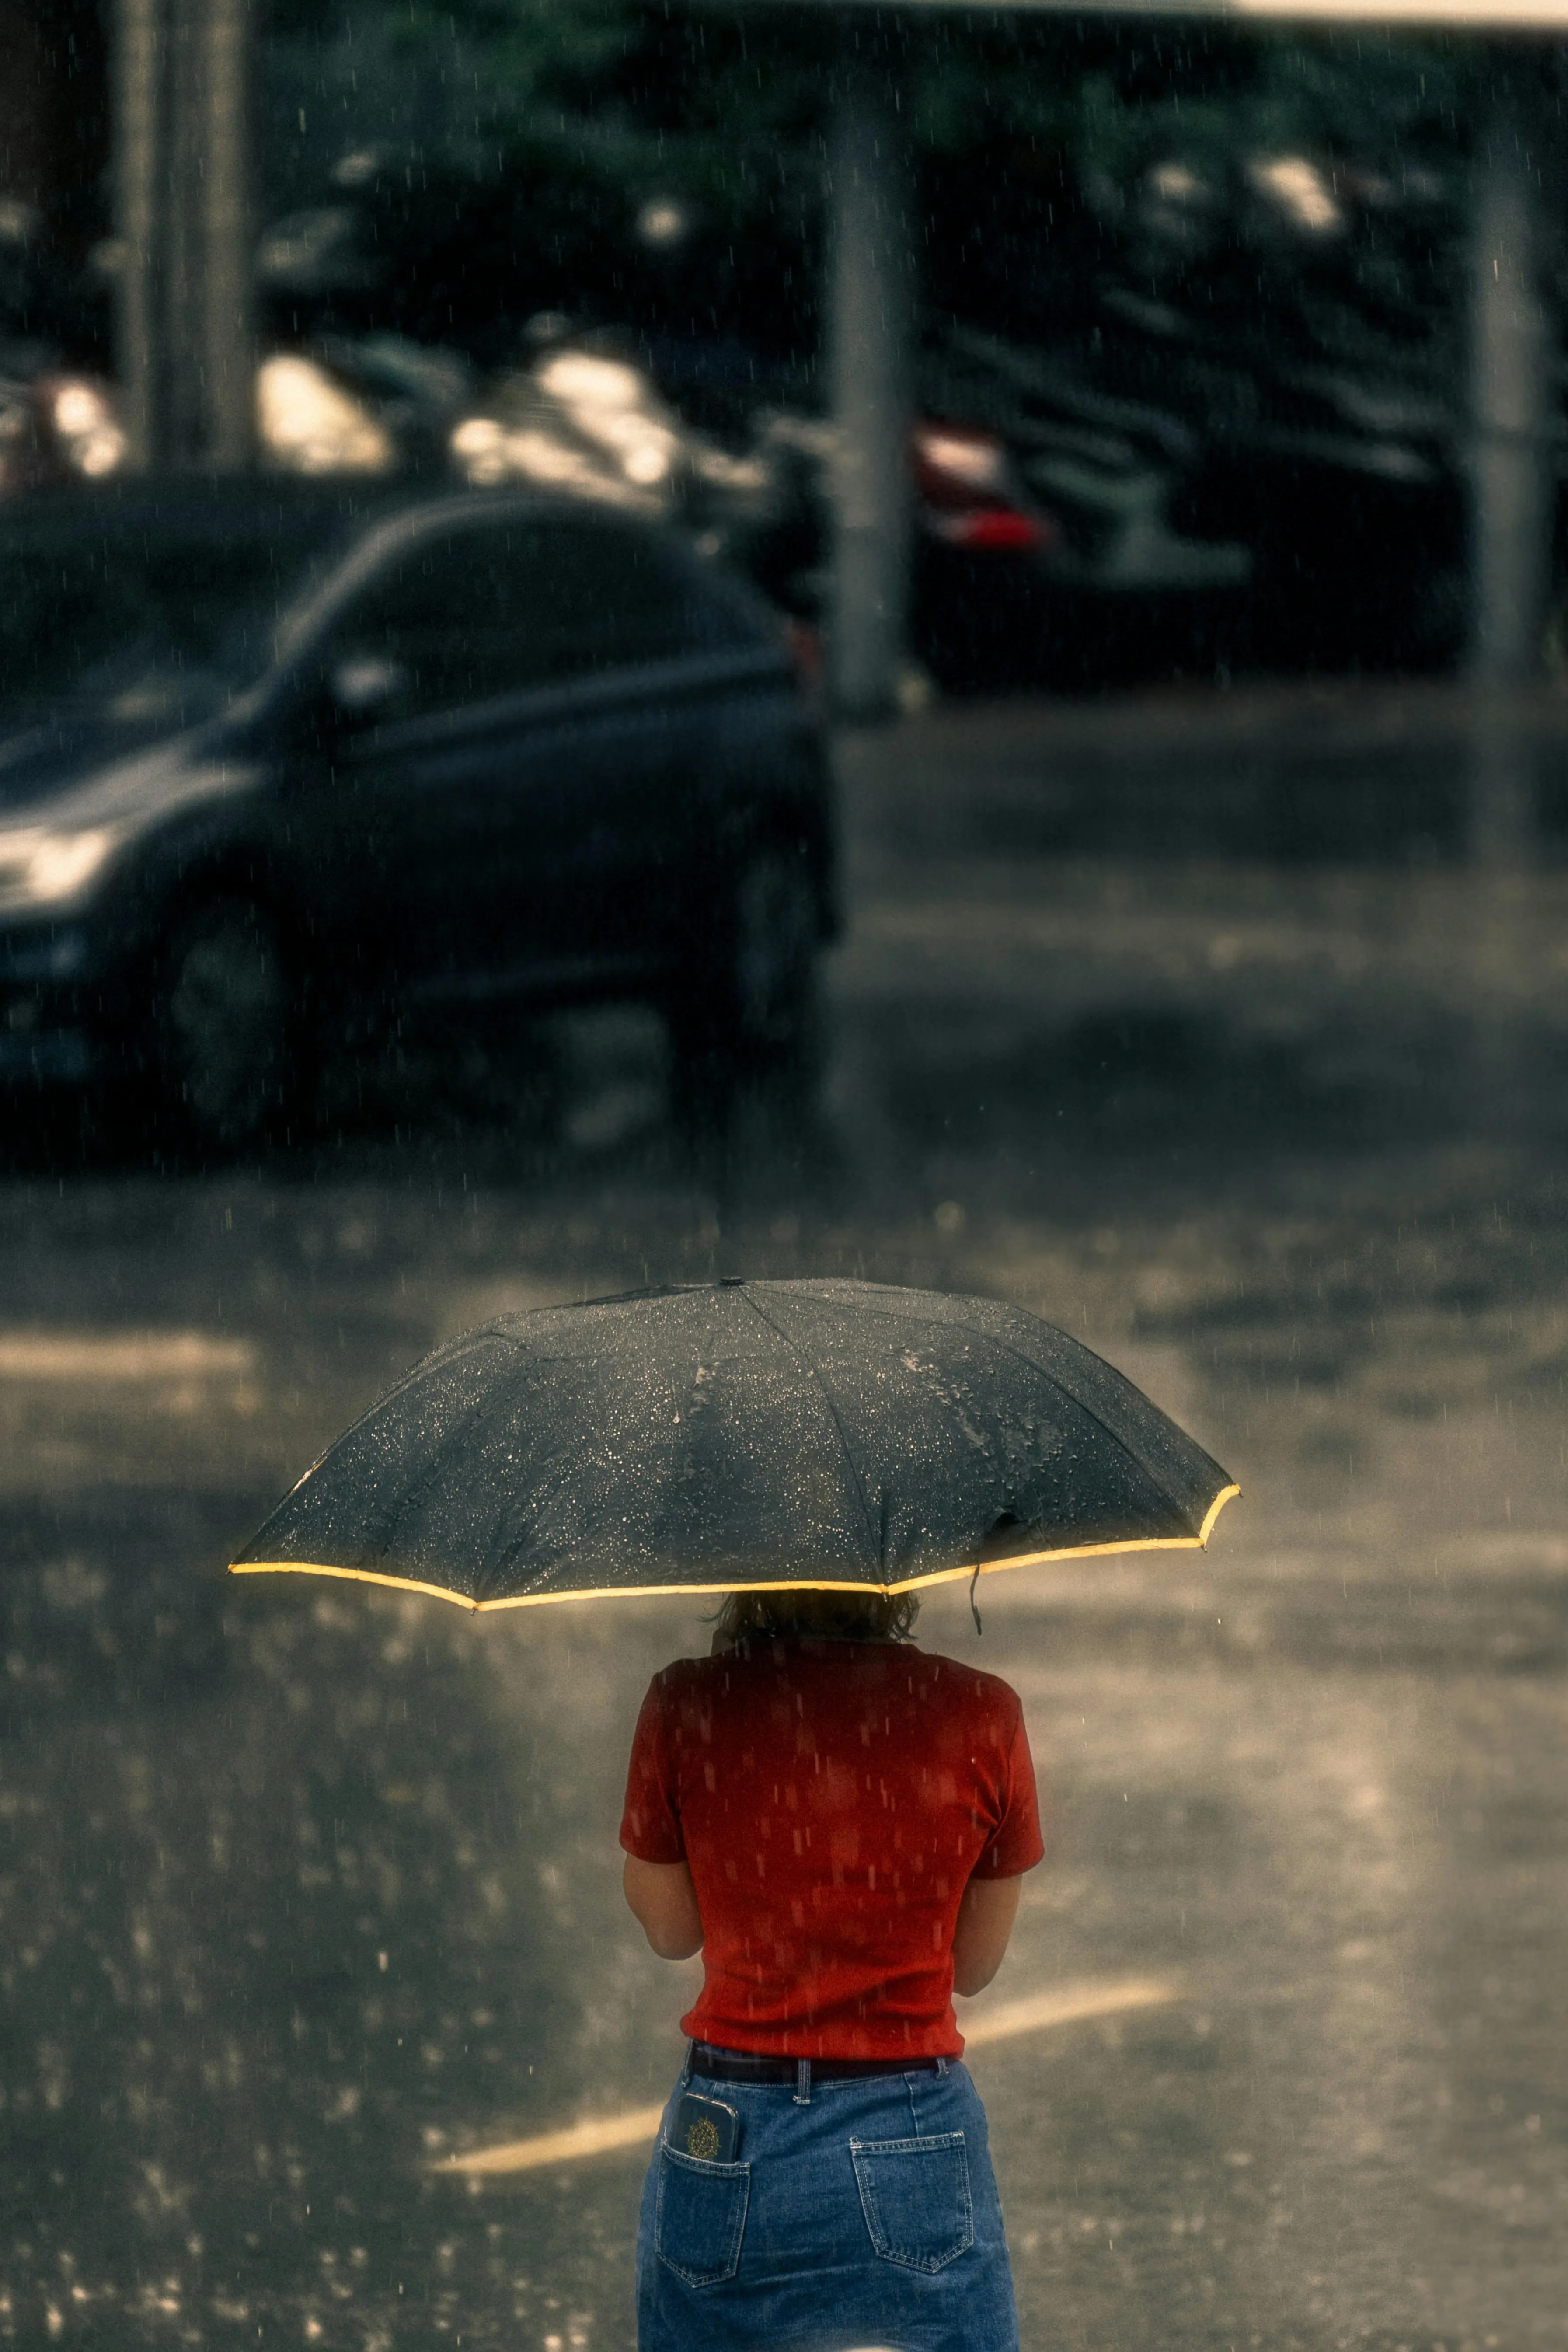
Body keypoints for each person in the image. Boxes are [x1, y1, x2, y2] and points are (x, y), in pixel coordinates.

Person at [620, 1585, 1045, 2352]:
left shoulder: (687, 1703)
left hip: (729, 2133)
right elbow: (973, 1967)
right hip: (911, 2133)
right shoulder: (980, 1712)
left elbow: (671, 1932)